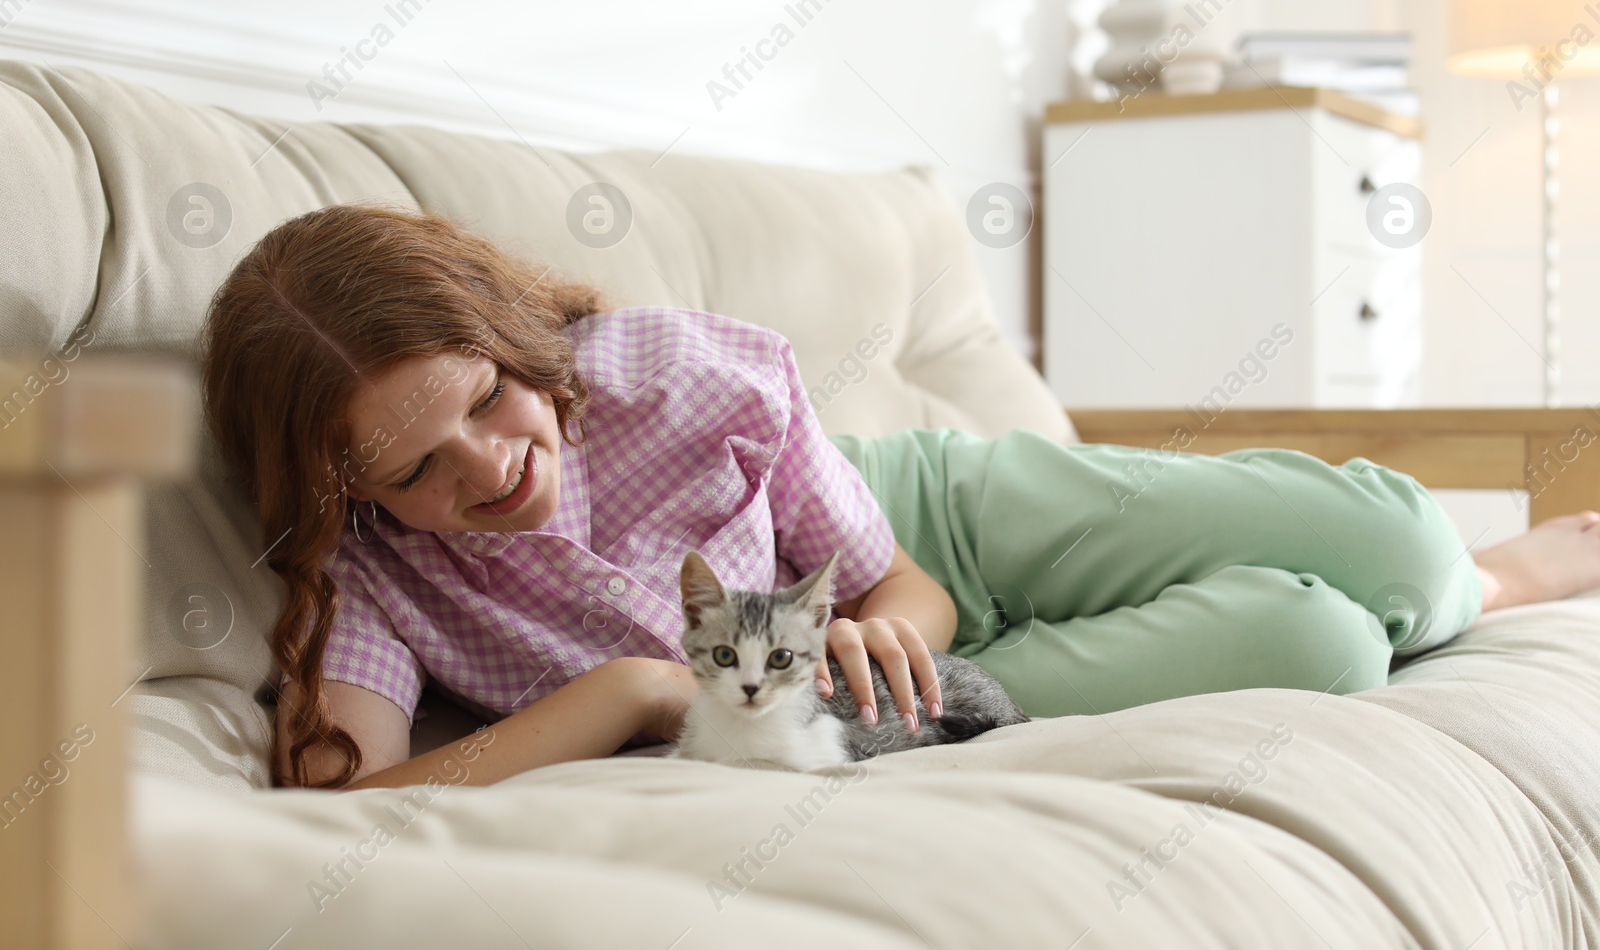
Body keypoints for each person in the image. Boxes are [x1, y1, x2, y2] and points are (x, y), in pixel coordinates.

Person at [201, 204, 1600, 790]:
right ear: (353, 495)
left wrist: (899, 628)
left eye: (487, 402)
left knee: (1399, 541)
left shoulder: (681, 375)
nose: (490, 469)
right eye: (417, 471)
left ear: (508, 341)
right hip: (876, 702)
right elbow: (352, 803)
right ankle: (1439, 605)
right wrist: (631, 696)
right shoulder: (373, 575)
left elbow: (897, 578)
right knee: (1328, 647)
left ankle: (1492, 580)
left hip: (927, 536)